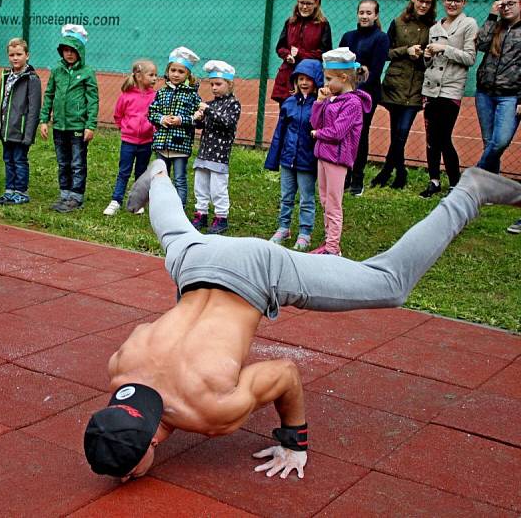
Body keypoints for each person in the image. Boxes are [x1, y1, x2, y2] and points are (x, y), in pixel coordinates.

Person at [86, 157, 521, 482]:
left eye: (126, 469)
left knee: (389, 283)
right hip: (197, 264)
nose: (123, 477)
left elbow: (286, 375)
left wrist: (293, 441)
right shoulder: (120, 367)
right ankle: (159, 176)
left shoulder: (210, 412)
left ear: (150, 446)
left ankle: (470, 192)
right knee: (176, 236)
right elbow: (151, 346)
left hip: (260, 271)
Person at [372, 0, 436, 190]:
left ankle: (387, 172)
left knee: (402, 132)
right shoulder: (398, 23)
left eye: (428, 2)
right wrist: (406, 50)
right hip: (395, 85)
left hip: (416, 87)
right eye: (421, 0)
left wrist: (426, 54)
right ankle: (399, 172)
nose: (424, 5)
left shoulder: (434, 27)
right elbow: (386, 52)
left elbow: (435, 59)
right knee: (395, 133)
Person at [309, 48, 372, 257]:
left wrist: (317, 134)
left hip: (337, 159)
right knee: (325, 201)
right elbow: (315, 121)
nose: (325, 84)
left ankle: (333, 249)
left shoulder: (353, 103)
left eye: (328, 79)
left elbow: (337, 132)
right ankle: (329, 243)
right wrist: (319, 102)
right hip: (323, 156)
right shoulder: (331, 98)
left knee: (334, 204)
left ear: (343, 77)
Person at [419, 0, 477, 198]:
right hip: (431, 89)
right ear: (443, 1)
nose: (452, 3)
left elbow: (470, 58)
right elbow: (429, 64)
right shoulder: (435, 28)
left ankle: (454, 183)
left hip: (451, 89)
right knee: (431, 138)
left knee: (444, 137)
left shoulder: (468, 24)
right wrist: (427, 55)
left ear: (464, 3)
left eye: (457, 0)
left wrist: (445, 48)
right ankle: (433, 180)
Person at [39, 24, 99, 213]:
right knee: (63, 161)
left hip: (77, 127)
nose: (69, 54)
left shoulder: (88, 72)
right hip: (59, 126)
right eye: (66, 50)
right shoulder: (57, 70)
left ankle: (76, 196)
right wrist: (44, 120)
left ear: (80, 51)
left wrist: (90, 125)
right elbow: (49, 94)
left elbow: (92, 100)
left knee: (77, 162)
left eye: (73, 50)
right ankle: (64, 194)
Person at [265, 59, 324, 251]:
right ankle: (284, 228)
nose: (304, 82)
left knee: (307, 198)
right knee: (286, 196)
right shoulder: (289, 103)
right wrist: (274, 159)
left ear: (317, 80)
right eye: (300, 78)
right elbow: (279, 133)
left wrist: (321, 103)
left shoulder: (320, 104)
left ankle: (305, 232)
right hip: (287, 159)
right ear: (295, 81)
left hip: (308, 161)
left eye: (308, 78)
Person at [339, 0, 390, 196]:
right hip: (345, 94)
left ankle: (357, 180)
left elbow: (374, 71)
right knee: (343, 133)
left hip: (366, 96)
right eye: (362, 12)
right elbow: (341, 65)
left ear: (376, 15)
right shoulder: (348, 37)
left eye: (369, 13)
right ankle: (345, 175)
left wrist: (357, 86)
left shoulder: (381, 38)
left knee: (360, 135)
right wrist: (351, 78)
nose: (365, 16)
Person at [188, 60, 242, 235]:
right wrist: (198, 118)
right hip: (204, 153)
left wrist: (208, 111)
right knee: (200, 186)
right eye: (212, 84)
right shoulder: (210, 104)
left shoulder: (233, 104)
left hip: (219, 155)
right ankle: (200, 214)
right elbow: (201, 126)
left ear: (229, 84)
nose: (214, 88)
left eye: (218, 84)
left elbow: (227, 122)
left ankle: (221, 217)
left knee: (218, 188)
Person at [148, 47, 203, 208]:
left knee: (179, 178)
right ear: (168, 71)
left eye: (181, 71)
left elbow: (197, 118)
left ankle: (179, 208)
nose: (176, 74)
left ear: (187, 74)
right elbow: (151, 112)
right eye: (173, 70)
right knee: (160, 177)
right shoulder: (162, 92)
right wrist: (162, 118)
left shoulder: (192, 95)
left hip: (180, 145)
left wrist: (181, 120)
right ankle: (160, 206)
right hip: (161, 144)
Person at [474, 0, 521, 175]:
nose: (506, 8)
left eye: (511, 4)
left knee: (500, 141)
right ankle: (491, 186)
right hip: (484, 93)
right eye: (502, 5)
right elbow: (481, 44)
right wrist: (492, 16)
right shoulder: (497, 26)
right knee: (488, 141)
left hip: (510, 97)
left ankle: (474, 177)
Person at [103, 59, 158, 216]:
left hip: (146, 142)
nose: (155, 78)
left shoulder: (155, 96)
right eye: (151, 75)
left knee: (141, 173)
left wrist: (151, 129)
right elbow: (118, 115)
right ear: (139, 76)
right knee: (124, 171)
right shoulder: (126, 96)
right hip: (128, 142)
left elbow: (156, 116)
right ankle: (116, 200)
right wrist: (126, 129)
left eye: (156, 75)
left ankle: (137, 203)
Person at [0, 38, 41, 206]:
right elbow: (2, 103)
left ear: (27, 56)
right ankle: (9, 189)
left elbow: (34, 109)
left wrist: (29, 134)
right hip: (7, 129)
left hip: (21, 130)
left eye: (19, 54)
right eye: (12, 54)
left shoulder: (32, 79)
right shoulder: (6, 75)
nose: (15, 58)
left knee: (20, 160)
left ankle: (21, 191)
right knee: (8, 159)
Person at [271, 0, 332, 104]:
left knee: (309, 116)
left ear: (317, 3)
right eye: (301, 2)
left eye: (308, 3)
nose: (304, 7)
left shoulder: (323, 24)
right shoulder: (290, 22)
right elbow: (280, 47)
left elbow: (325, 54)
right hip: (288, 76)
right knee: (286, 113)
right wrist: (287, 55)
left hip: (310, 78)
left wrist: (300, 54)